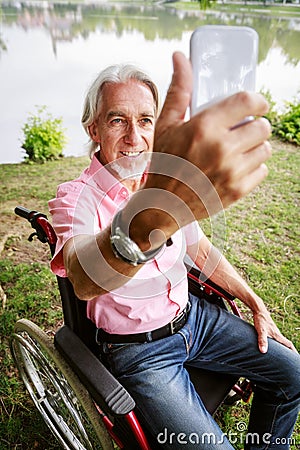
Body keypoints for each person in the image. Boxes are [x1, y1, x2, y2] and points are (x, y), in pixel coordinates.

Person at [49, 52, 300, 449]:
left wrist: (253, 300)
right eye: (118, 120)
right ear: (93, 128)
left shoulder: (164, 176)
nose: (135, 137)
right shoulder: (75, 198)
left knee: (293, 375)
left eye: (145, 121)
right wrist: (149, 216)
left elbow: (198, 248)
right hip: (140, 352)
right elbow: (83, 278)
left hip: (196, 321)